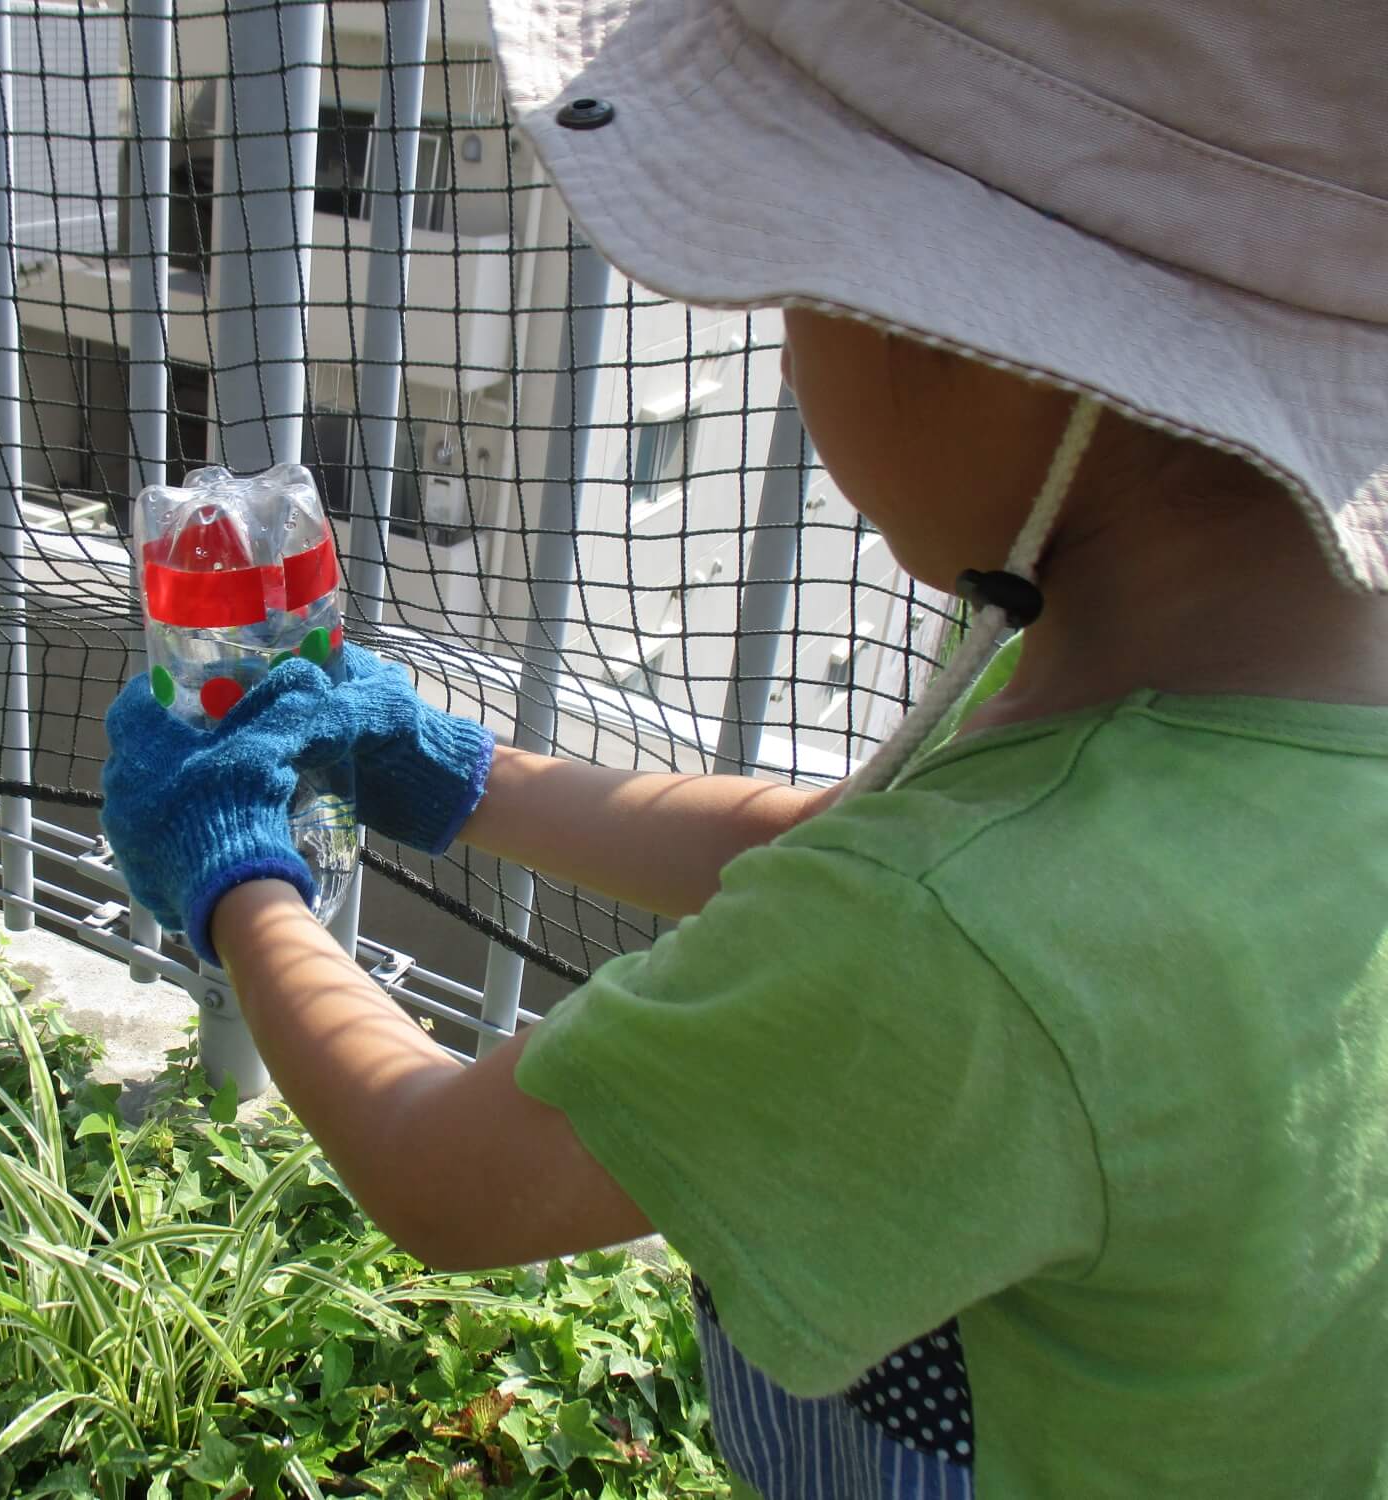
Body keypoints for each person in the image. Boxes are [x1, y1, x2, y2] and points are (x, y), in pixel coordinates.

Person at [101, 0, 1388, 1493]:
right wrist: (456, 772)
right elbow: (833, 845)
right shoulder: (1205, 708)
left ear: (991, 348)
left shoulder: (967, 943)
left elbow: (447, 1171)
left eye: (797, 289)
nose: (787, 360)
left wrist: (239, 878)